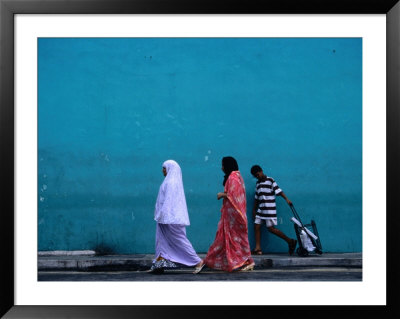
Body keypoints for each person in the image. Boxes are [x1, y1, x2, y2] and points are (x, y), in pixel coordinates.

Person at [194, 156, 255, 274]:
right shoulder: (237, 176)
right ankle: (211, 261)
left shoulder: (233, 178)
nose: (221, 167)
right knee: (225, 241)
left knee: (233, 241)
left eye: (222, 165)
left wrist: (222, 194)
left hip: (234, 218)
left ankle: (247, 261)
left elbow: (233, 196)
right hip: (232, 217)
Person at [148, 159, 203, 274]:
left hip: (169, 218)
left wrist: (164, 215)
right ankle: (159, 264)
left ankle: (197, 261)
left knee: (179, 240)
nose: (163, 170)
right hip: (165, 218)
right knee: (161, 240)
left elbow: (169, 201)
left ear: (170, 169)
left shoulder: (171, 183)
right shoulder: (171, 181)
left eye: (164, 168)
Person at [250, 164, 297, 256]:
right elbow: (257, 198)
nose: (257, 177)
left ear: (261, 171)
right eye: (255, 176)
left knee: (271, 229)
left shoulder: (270, 180)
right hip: (261, 209)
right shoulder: (258, 184)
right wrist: (254, 210)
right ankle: (258, 248)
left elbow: (279, 191)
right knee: (256, 226)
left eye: (257, 174)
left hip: (269, 209)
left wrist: (287, 199)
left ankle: (290, 241)